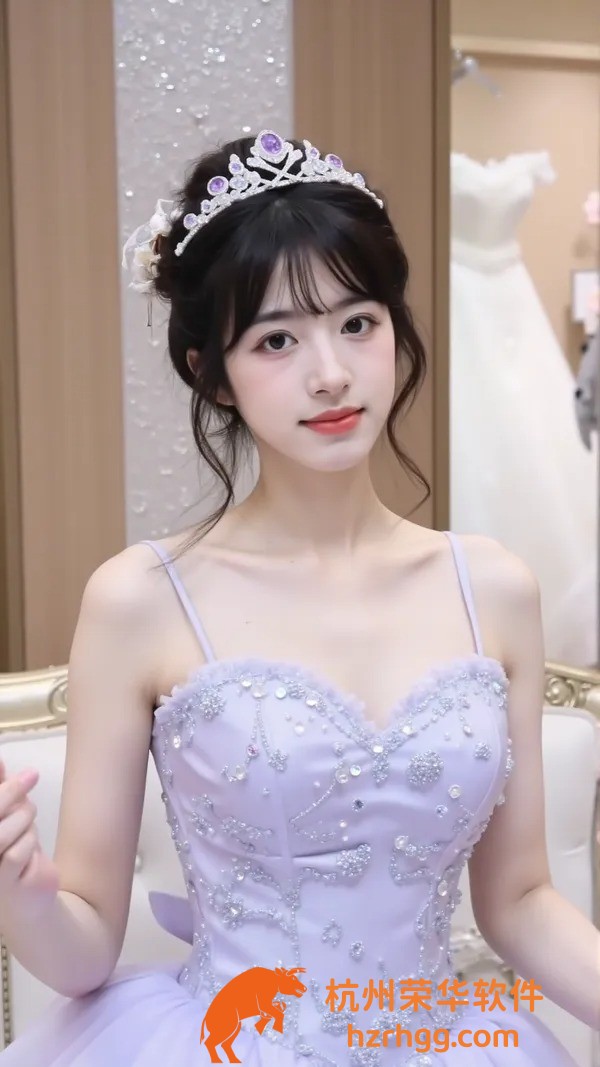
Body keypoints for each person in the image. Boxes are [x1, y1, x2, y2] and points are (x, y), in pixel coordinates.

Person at [0, 129, 597, 1066]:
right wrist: (22, 890)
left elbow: (519, 901)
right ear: (210, 371)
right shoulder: (140, 600)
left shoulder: (494, 588)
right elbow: (81, 951)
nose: (331, 373)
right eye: (277, 339)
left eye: (358, 322)